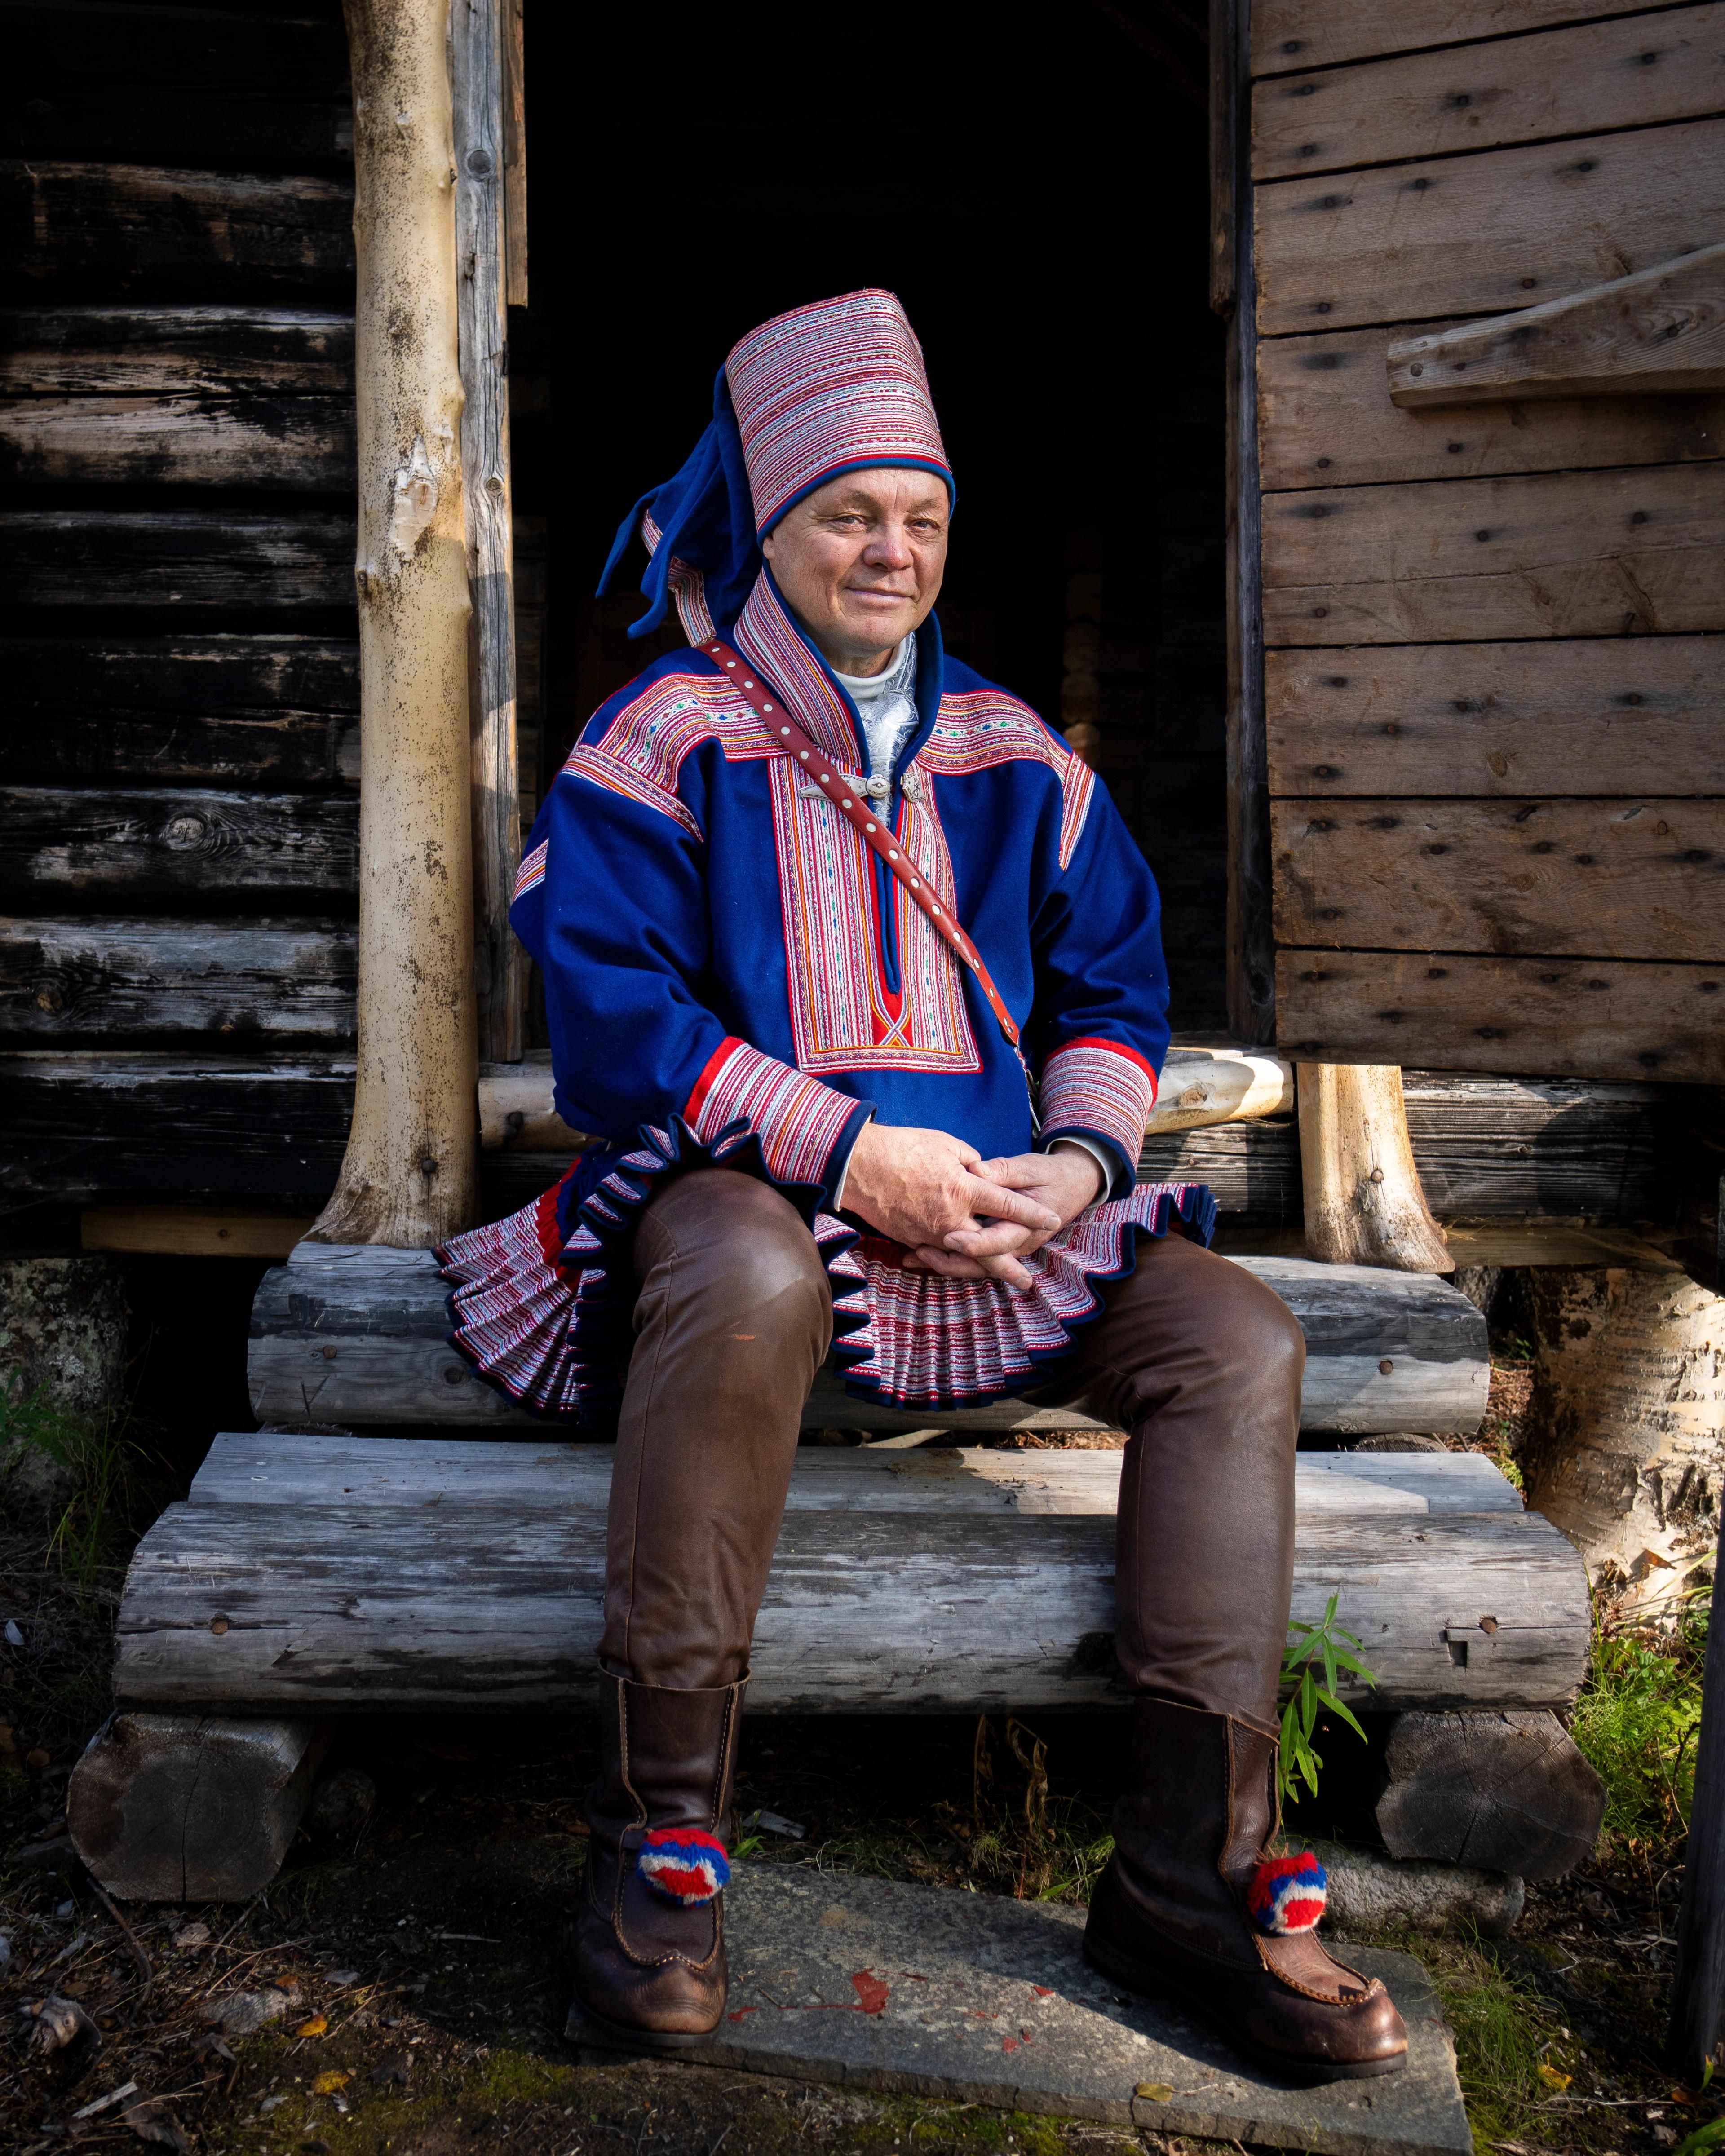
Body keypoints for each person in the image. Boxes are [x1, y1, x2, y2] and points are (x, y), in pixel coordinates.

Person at [438, 289, 1407, 2081]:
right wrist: (846, 1149)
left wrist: (1077, 1159)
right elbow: (613, 1020)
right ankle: (657, 1858)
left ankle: (1190, 1883)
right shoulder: (662, 737)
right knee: (748, 1276)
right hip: (734, 1198)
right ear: (770, 525)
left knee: (1236, 1339)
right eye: (851, 515)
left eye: (925, 518)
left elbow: (1116, 984)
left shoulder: (1018, 758)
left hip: (983, 1223)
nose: (895, 550)